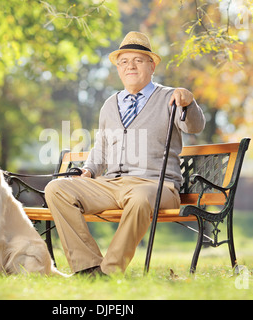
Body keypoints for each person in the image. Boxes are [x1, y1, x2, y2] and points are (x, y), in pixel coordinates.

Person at [45, 31, 206, 276]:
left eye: (138, 60)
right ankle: (88, 268)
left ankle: (110, 271)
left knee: (140, 197)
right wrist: (89, 171)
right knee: (56, 189)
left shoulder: (170, 97)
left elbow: (195, 126)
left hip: (156, 186)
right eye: (124, 62)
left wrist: (189, 101)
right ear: (118, 69)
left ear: (151, 66)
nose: (130, 66)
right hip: (112, 184)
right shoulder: (110, 103)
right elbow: (101, 146)